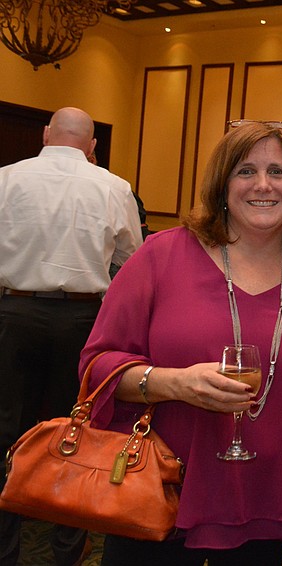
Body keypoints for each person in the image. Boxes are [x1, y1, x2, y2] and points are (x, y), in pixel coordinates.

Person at [78, 120, 282, 565]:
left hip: (267, 504)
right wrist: (173, 383)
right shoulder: (161, 256)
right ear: (222, 186)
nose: (263, 185)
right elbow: (96, 365)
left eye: (278, 172)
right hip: (159, 494)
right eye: (246, 171)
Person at [0, 106, 143, 566]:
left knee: (4, 432)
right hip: (83, 322)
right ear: (93, 146)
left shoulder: (6, 179)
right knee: (79, 433)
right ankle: (68, 551)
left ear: (46, 134)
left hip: (13, 312)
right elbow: (131, 264)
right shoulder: (114, 187)